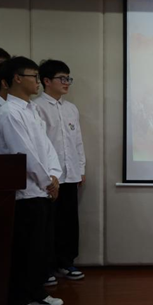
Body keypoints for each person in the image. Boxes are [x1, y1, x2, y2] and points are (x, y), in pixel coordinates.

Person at [0, 57, 65, 305]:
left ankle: (36, 292)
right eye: (33, 76)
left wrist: (55, 175)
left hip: (43, 189)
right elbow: (22, 153)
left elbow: (46, 147)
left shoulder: (32, 110)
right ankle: (17, 302)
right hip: (25, 192)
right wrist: (47, 181)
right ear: (17, 78)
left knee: (40, 248)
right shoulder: (9, 113)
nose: (37, 82)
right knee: (24, 249)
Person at [33, 60, 86, 281]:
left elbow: (77, 142)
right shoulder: (36, 107)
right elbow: (38, 144)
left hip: (70, 174)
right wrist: (47, 174)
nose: (66, 83)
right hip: (49, 177)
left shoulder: (71, 108)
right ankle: (46, 268)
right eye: (62, 78)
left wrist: (80, 168)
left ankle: (67, 263)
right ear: (46, 81)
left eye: (68, 78)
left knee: (68, 222)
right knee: (47, 224)